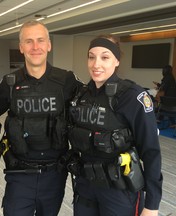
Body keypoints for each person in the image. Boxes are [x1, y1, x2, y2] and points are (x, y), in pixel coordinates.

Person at [0, 20, 83, 216]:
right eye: (29, 41)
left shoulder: (67, 80)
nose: (35, 47)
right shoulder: (9, 83)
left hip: (55, 174)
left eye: (40, 40)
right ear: (21, 47)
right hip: (19, 174)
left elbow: (92, 108)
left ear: (49, 45)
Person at [67, 35, 163, 216]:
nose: (96, 64)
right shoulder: (81, 96)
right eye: (91, 56)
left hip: (119, 190)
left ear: (117, 60)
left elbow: (151, 152)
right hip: (85, 186)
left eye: (105, 57)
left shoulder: (132, 97)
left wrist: (152, 205)